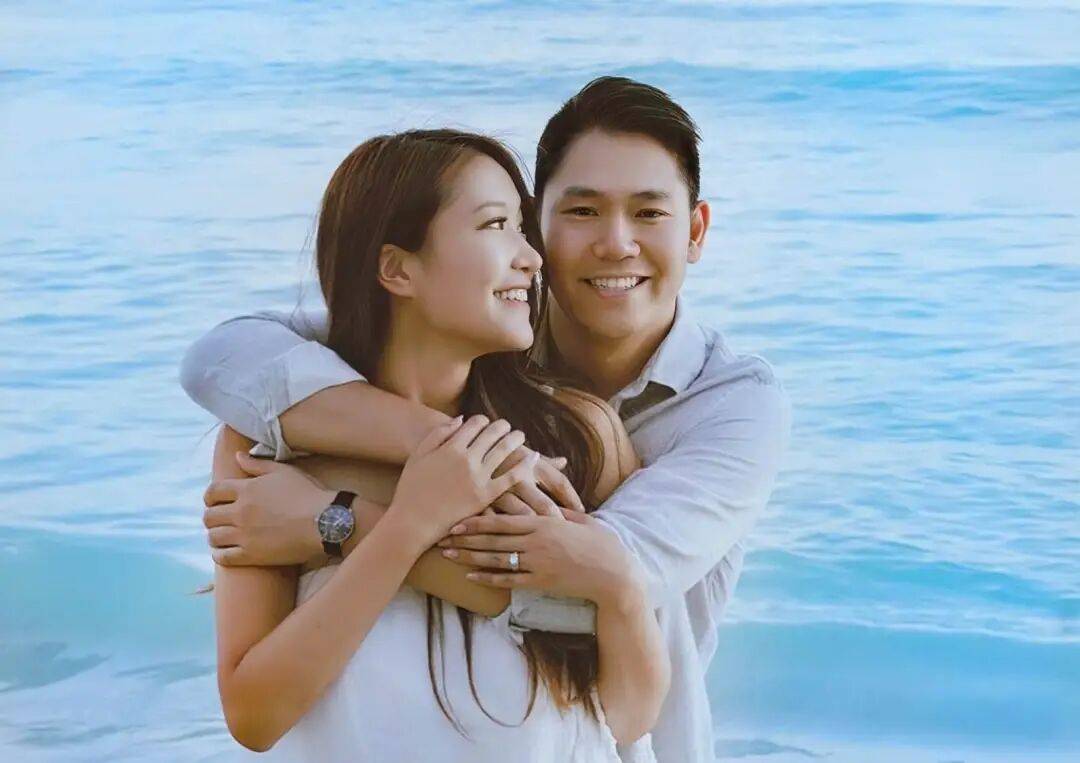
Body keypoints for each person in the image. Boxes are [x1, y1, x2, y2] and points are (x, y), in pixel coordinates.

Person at [181, 76, 791, 763]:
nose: (614, 243)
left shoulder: (608, 426)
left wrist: (338, 521)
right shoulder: (287, 429)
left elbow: (606, 604)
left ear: (696, 230)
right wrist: (453, 463)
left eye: (649, 212)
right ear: (397, 271)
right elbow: (221, 357)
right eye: (571, 213)